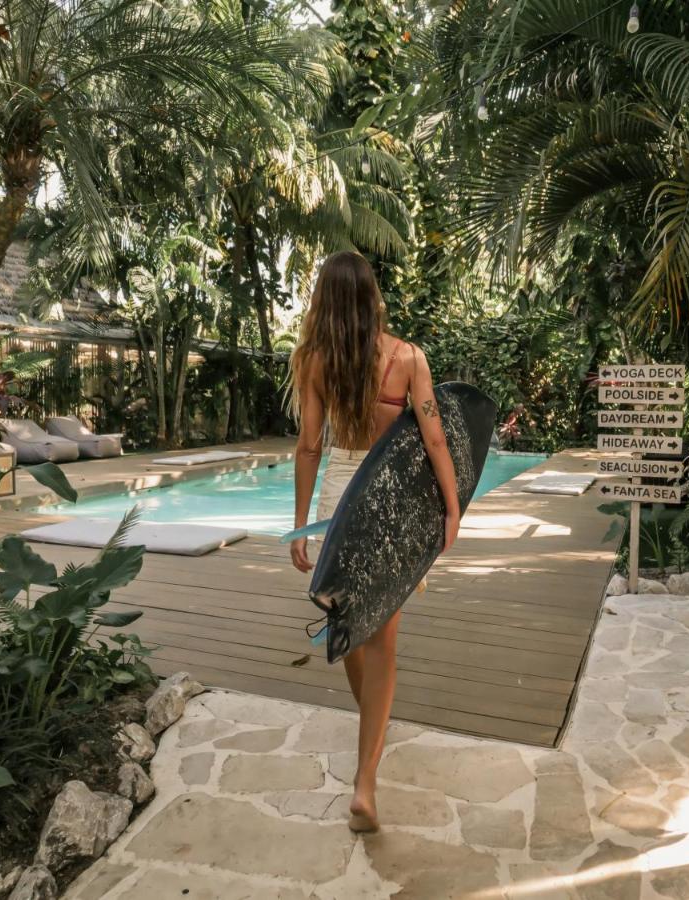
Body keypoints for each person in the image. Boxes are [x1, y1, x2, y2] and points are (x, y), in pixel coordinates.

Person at [288, 251, 460, 833]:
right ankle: (366, 778)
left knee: (349, 631)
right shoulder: (407, 357)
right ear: (372, 297)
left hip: (339, 494)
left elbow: (309, 446)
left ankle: (372, 736)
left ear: (324, 301)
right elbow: (435, 438)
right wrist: (452, 508)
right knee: (382, 637)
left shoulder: (315, 360)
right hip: (389, 498)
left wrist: (301, 525)